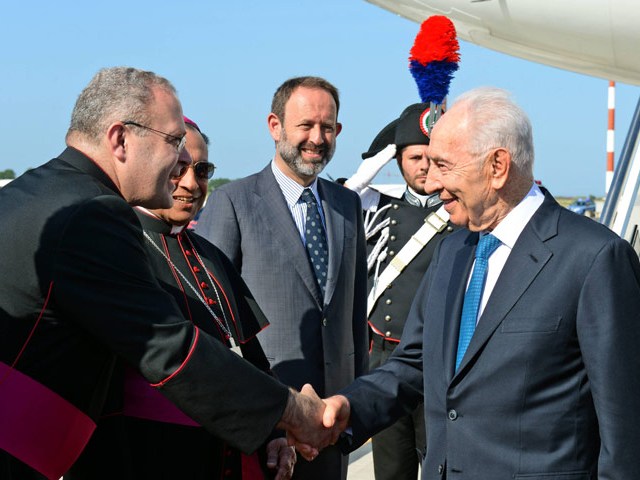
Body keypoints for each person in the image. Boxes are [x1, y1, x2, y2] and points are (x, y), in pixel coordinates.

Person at [0, 67, 332, 480]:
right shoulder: (95, 212)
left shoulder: (34, 191)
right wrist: (291, 411)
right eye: (174, 142)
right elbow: (169, 350)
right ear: (120, 139)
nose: (181, 162)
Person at [320, 87, 640, 479]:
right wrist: (345, 408)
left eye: (444, 165)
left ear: (497, 167)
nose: (432, 182)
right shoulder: (452, 250)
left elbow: (625, 432)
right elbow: (414, 363)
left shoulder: (594, 259)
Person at [66, 117, 295, 480]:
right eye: (178, 168)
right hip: (146, 455)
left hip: (227, 452)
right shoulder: (116, 249)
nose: (191, 183)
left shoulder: (211, 255)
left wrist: (277, 435)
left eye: (202, 170)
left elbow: (251, 357)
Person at [196, 76, 368, 480]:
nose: (317, 137)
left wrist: (354, 401)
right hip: (267, 425)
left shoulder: (347, 205)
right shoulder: (232, 202)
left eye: (327, 127)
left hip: (332, 422)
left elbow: (354, 314)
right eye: (306, 125)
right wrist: (262, 419)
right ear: (275, 127)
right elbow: (212, 322)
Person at [343, 103, 457, 480]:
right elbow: (340, 199)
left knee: (442, 466)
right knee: (390, 469)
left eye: (433, 157)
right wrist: (378, 156)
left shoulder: (462, 214)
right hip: (386, 362)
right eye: (413, 156)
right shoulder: (379, 208)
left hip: (441, 361)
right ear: (398, 159)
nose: (424, 166)